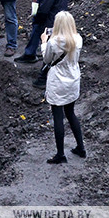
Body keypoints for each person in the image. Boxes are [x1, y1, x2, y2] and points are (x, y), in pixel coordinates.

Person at [41, 11, 86, 164]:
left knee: (58, 117)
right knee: (71, 113)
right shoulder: (78, 39)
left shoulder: (53, 43)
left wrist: (43, 42)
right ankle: (81, 147)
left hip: (58, 82)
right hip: (73, 80)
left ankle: (60, 154)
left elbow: (47, 60)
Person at [16, 0, 69, 64]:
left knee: (38, 30)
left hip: (50, 20)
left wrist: (37, 18)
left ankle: (32, 56)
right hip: (61, 17)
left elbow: (44, 9)